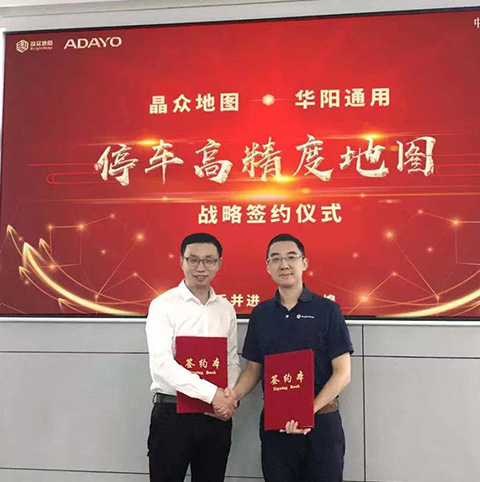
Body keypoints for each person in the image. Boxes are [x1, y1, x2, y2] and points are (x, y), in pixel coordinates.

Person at [226, 233, 353, 482]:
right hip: (276, 427)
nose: (284, 264)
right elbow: (253, 369)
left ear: (304, 263)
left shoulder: (328, 310)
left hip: (322, 424)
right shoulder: (261, 314)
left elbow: (343, 373)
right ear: (268, 267)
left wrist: (309, 411)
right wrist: (232, 397)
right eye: (276, 259)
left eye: (291, 257)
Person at [145, 232, 241, 482]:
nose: (201, 267)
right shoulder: (163, 305)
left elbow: (231, 360)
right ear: (181, 261)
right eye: (193, 260)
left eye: (209, 260)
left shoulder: (225, 309)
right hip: (173, 415)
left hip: (215, 416)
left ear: (219, 263)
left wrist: (228, 396)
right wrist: (213, 394)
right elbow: (162, 365)